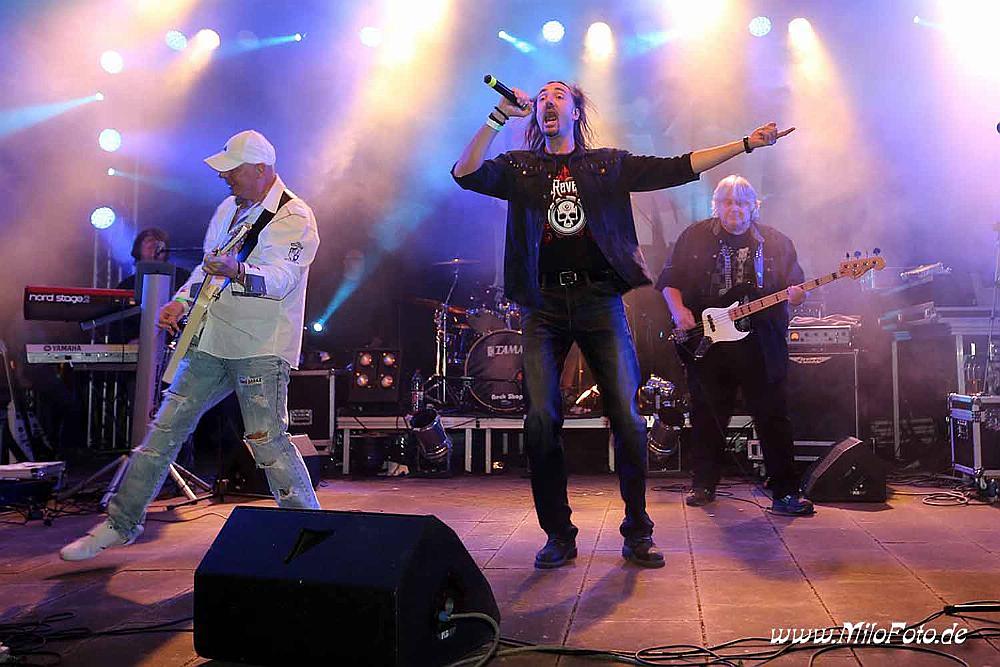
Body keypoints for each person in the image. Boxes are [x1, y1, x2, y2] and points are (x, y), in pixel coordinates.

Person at [452, 80, 794, 569]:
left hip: (598, 300)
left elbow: (678, 166)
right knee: (541, 419)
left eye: (559, 96)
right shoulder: (520, 167)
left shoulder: (605, 165)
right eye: (543, 96)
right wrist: (497, 117)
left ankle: (637, 530)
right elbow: (464, 173)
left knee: (629, 419)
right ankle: (558, 534)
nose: (548, 101)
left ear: (575, 112)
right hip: (542, 305)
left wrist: (745, 144)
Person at [61, 129, 321, 560]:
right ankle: (121, 524)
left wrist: (238, 270)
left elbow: (281, 280)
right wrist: (181, 301)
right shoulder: (227, 209)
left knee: (268, 442)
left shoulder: (294, 216)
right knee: (163, 431)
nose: (225, 177)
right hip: (211, 340)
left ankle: (312, 537)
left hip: (260, 346)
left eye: (233, 170)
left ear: (261, 170)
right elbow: (205, 269)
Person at [658, 175, 813, 516]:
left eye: (742, 203)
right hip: (711, 340)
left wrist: (798, 296)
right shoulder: (695, 237)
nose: (735, 209)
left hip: (762, 341)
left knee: (773, 415)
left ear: (753, 207)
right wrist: (679, 311)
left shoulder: (777, 242)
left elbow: (796, 286)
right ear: (716, 206)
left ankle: (786, 491)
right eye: (727, 202)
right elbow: (669, 280)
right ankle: (703, 483)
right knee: (707, 413)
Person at [112, 228, 191, 344]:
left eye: (159, 241)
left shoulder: (183, 277)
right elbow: (118, 322)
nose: (155, 243)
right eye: (149, 240)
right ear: (138, 248)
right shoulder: (127, 285)